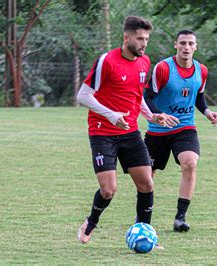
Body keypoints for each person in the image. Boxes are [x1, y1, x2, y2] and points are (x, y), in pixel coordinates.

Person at [76, 16, 177, 244]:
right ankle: (91, 222)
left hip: (130, 132)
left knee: (146, 183)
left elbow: (136, 94)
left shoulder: (144, 62)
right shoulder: (107, 61)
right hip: (102, 133)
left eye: (147, 39)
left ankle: (146, 235)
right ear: (126, 37)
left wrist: (152, 116)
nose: (144, 44)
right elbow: (82, 95)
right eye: (140, 39)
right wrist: (112, 116)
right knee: (109, 190)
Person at [143, 29, 217, 232]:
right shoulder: (163, 69)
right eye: (183, 43)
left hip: (185, 127)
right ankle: (142, 217)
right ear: (175, 45)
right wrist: (160, 115)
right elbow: (146, 97)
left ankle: (180, 217)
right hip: (158, 130)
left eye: (190, 44)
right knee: (147, 176)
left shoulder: (201, 70)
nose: (186, 47)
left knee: (190, 163)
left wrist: (207, 112)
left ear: (196, 47)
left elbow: (198, 97)